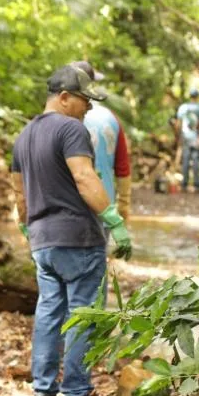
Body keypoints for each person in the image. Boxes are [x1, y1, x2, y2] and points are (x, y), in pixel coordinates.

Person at [11, 64, 131, 396]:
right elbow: (84, 176)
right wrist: (113, 218)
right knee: (83, 312)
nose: (88, 109)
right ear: (63, 98)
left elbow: (18, 191)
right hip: (78, 237)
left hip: (43, 240)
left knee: (49, 311)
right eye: (84, 101)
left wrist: (25, 225)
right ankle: (77, 394)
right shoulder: (71, 129)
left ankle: (44, 392)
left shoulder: (24, 135)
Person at [69, 61, 133, 259]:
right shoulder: (111, 118)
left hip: (68, 208)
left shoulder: (64, 117)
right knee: (96, 272)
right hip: (104, 207)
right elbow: (123, 168)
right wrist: (124, 205)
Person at [176, 88, 199, 193]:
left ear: (190, 96)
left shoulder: (183, 107)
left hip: (185, 136)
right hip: (195, 137)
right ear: (197, 97)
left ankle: (184, 185)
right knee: (195, 160)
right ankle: (197, 185)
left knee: (185, 160)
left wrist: (178, 136)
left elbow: (178, 123)